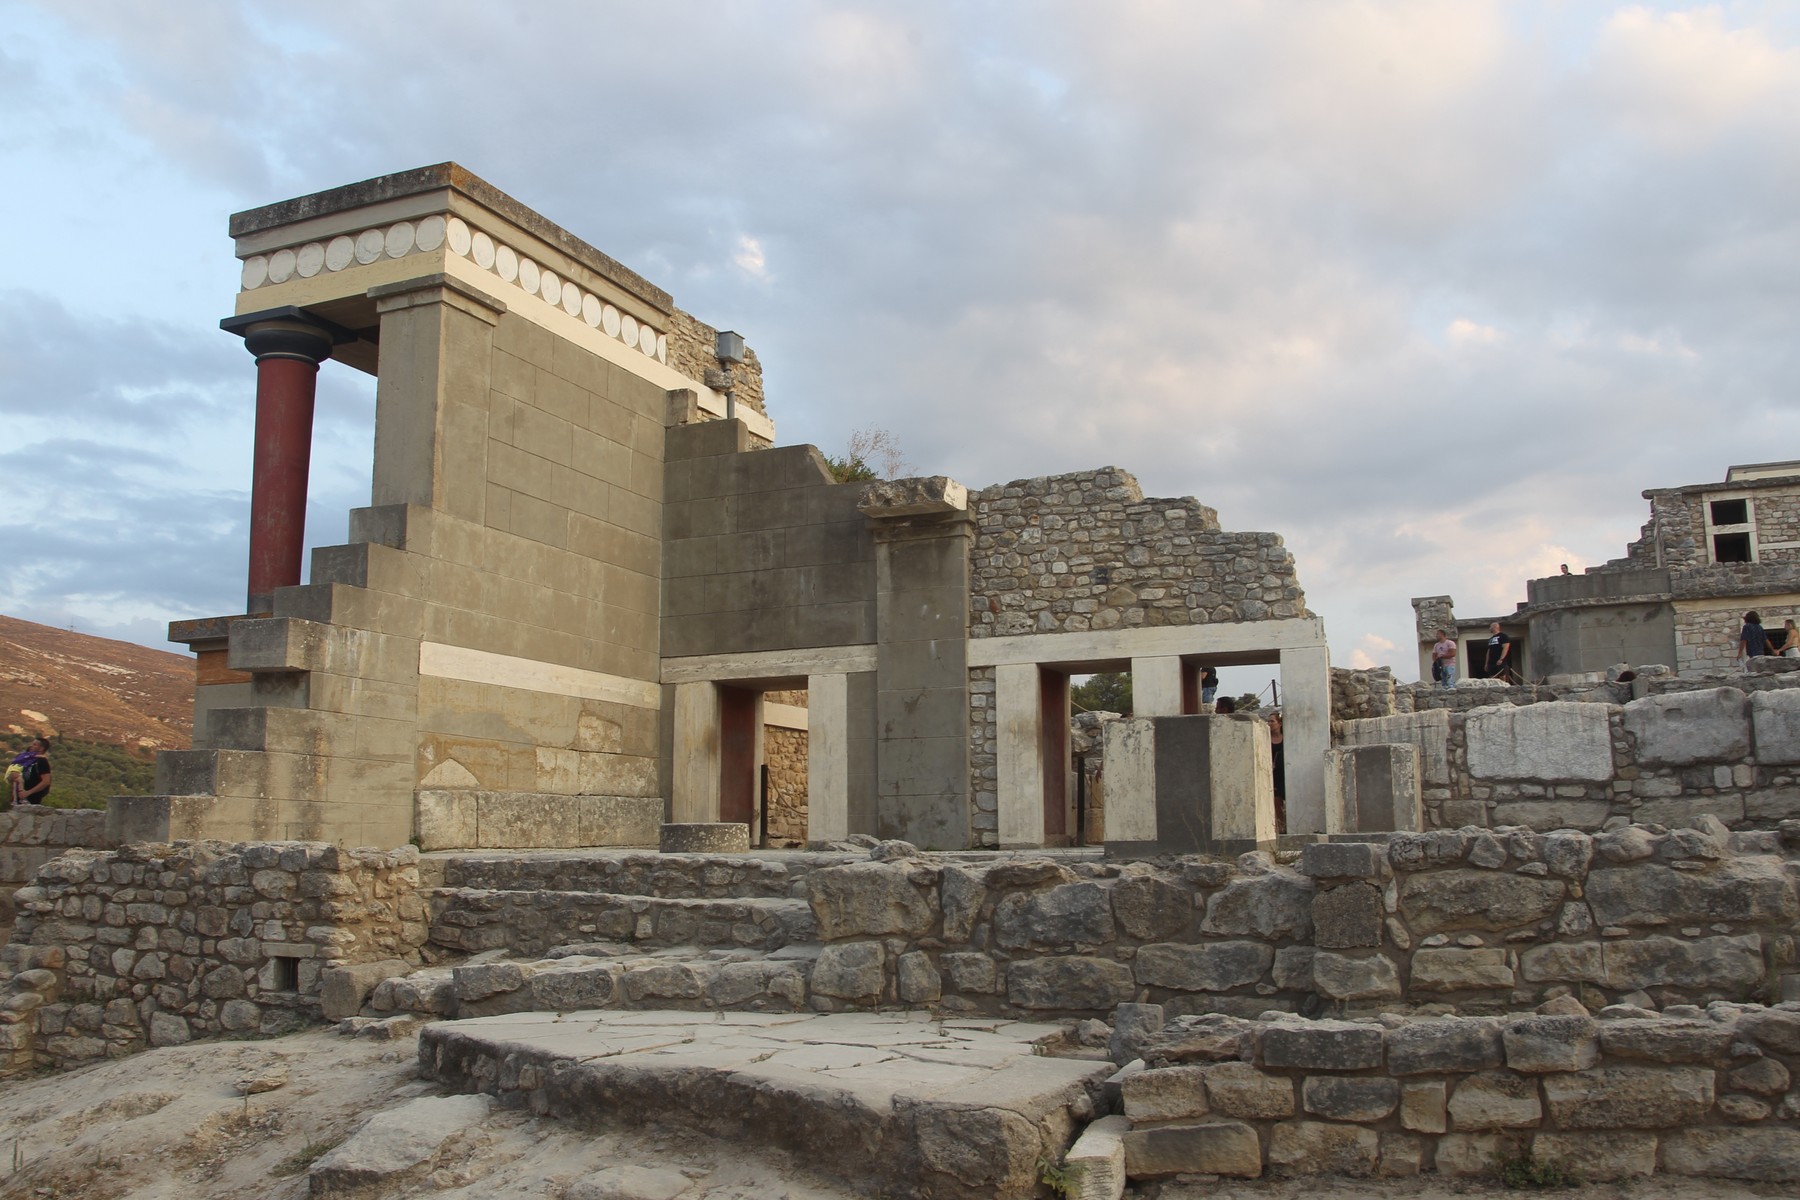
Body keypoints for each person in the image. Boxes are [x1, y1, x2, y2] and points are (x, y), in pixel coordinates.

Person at [11, 738, 51, 806]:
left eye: (34, 744)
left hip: (32, 800)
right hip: (17, 798)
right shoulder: (27, 760)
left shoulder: (42, 761)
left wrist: (28, 792)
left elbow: (46, 781)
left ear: (41, 748)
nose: (31, 746)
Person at [1267, 711, 1286, 834]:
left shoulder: (1286, 738)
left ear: (1279, 724)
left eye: (1272, 721)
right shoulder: (1265, 738)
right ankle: (1280, 827)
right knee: (1275, 801)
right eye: (1268, 721)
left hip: (1284, 773)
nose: (1269, 724)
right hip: (1272, 774)